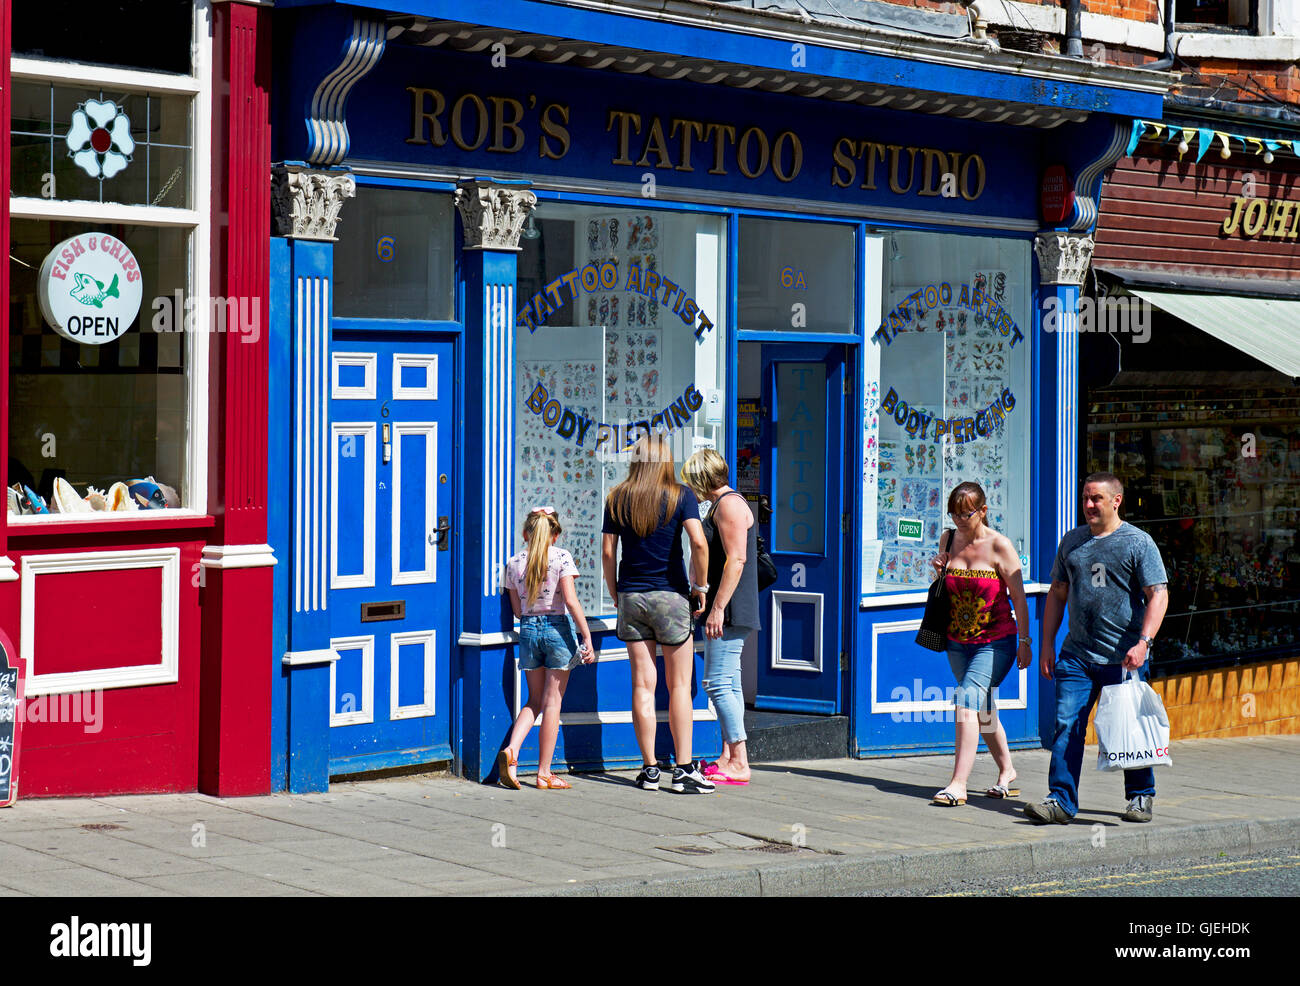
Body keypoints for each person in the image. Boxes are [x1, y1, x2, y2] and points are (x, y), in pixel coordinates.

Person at [1026, 472, 1169, 824]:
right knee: (1067, 725)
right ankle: (1060, 801)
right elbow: (1058, 593)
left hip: (1124, 659)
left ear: (1116, 501)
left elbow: (1158, 594)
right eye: (1086, 498)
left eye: (1097, 499)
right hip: (1076, 655)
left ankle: (1140, 796)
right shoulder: (1072, 542)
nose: (1089, 505)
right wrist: (1047, 644)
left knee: (1129, 728)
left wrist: (1144, 644)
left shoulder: (1138, 543)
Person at [602, 435, 713, 793]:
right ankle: (683, 769)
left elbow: (607, 551)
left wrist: (614, 590)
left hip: (632, 595)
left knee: (641, 684)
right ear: (666, 460)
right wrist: (701, 586)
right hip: (670, 596)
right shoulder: (680, 495)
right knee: (679, 684)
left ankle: (649, 769)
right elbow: (698, 541)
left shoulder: (617, 496)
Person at [928, 482, 1033, 806]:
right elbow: (940, 590)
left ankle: (958, 784)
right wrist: (937, 571)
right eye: (954, 514)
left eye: (967, 514)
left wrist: (1025, 642)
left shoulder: (1000, 546)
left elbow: (1019, 598)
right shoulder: (948, 539)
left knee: (965, 703)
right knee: (982, 709)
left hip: (996, 641)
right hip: (957, 640)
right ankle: (1007, 771)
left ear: (983, 511)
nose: (960, 520)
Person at [498, 507, 595, 790]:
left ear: (526, 534)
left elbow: (517, 611)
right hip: (557, 630)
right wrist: (586, 637)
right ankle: (543, 773)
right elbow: (571, 601)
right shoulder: (561, 557)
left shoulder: (514, 563)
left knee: (534, 700)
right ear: (554, 535)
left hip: (528, 631)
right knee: (553, 703)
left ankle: (511, 750)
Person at [681, 448, 760, 786]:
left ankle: (739, 760)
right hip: (726, 607)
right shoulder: (721, 504)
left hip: (730, 609)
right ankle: (729, 755)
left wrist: (717, 608)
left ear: (701, 478)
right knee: (729, 682)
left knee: (716, 683)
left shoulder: (728, 505)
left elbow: (737, 560)